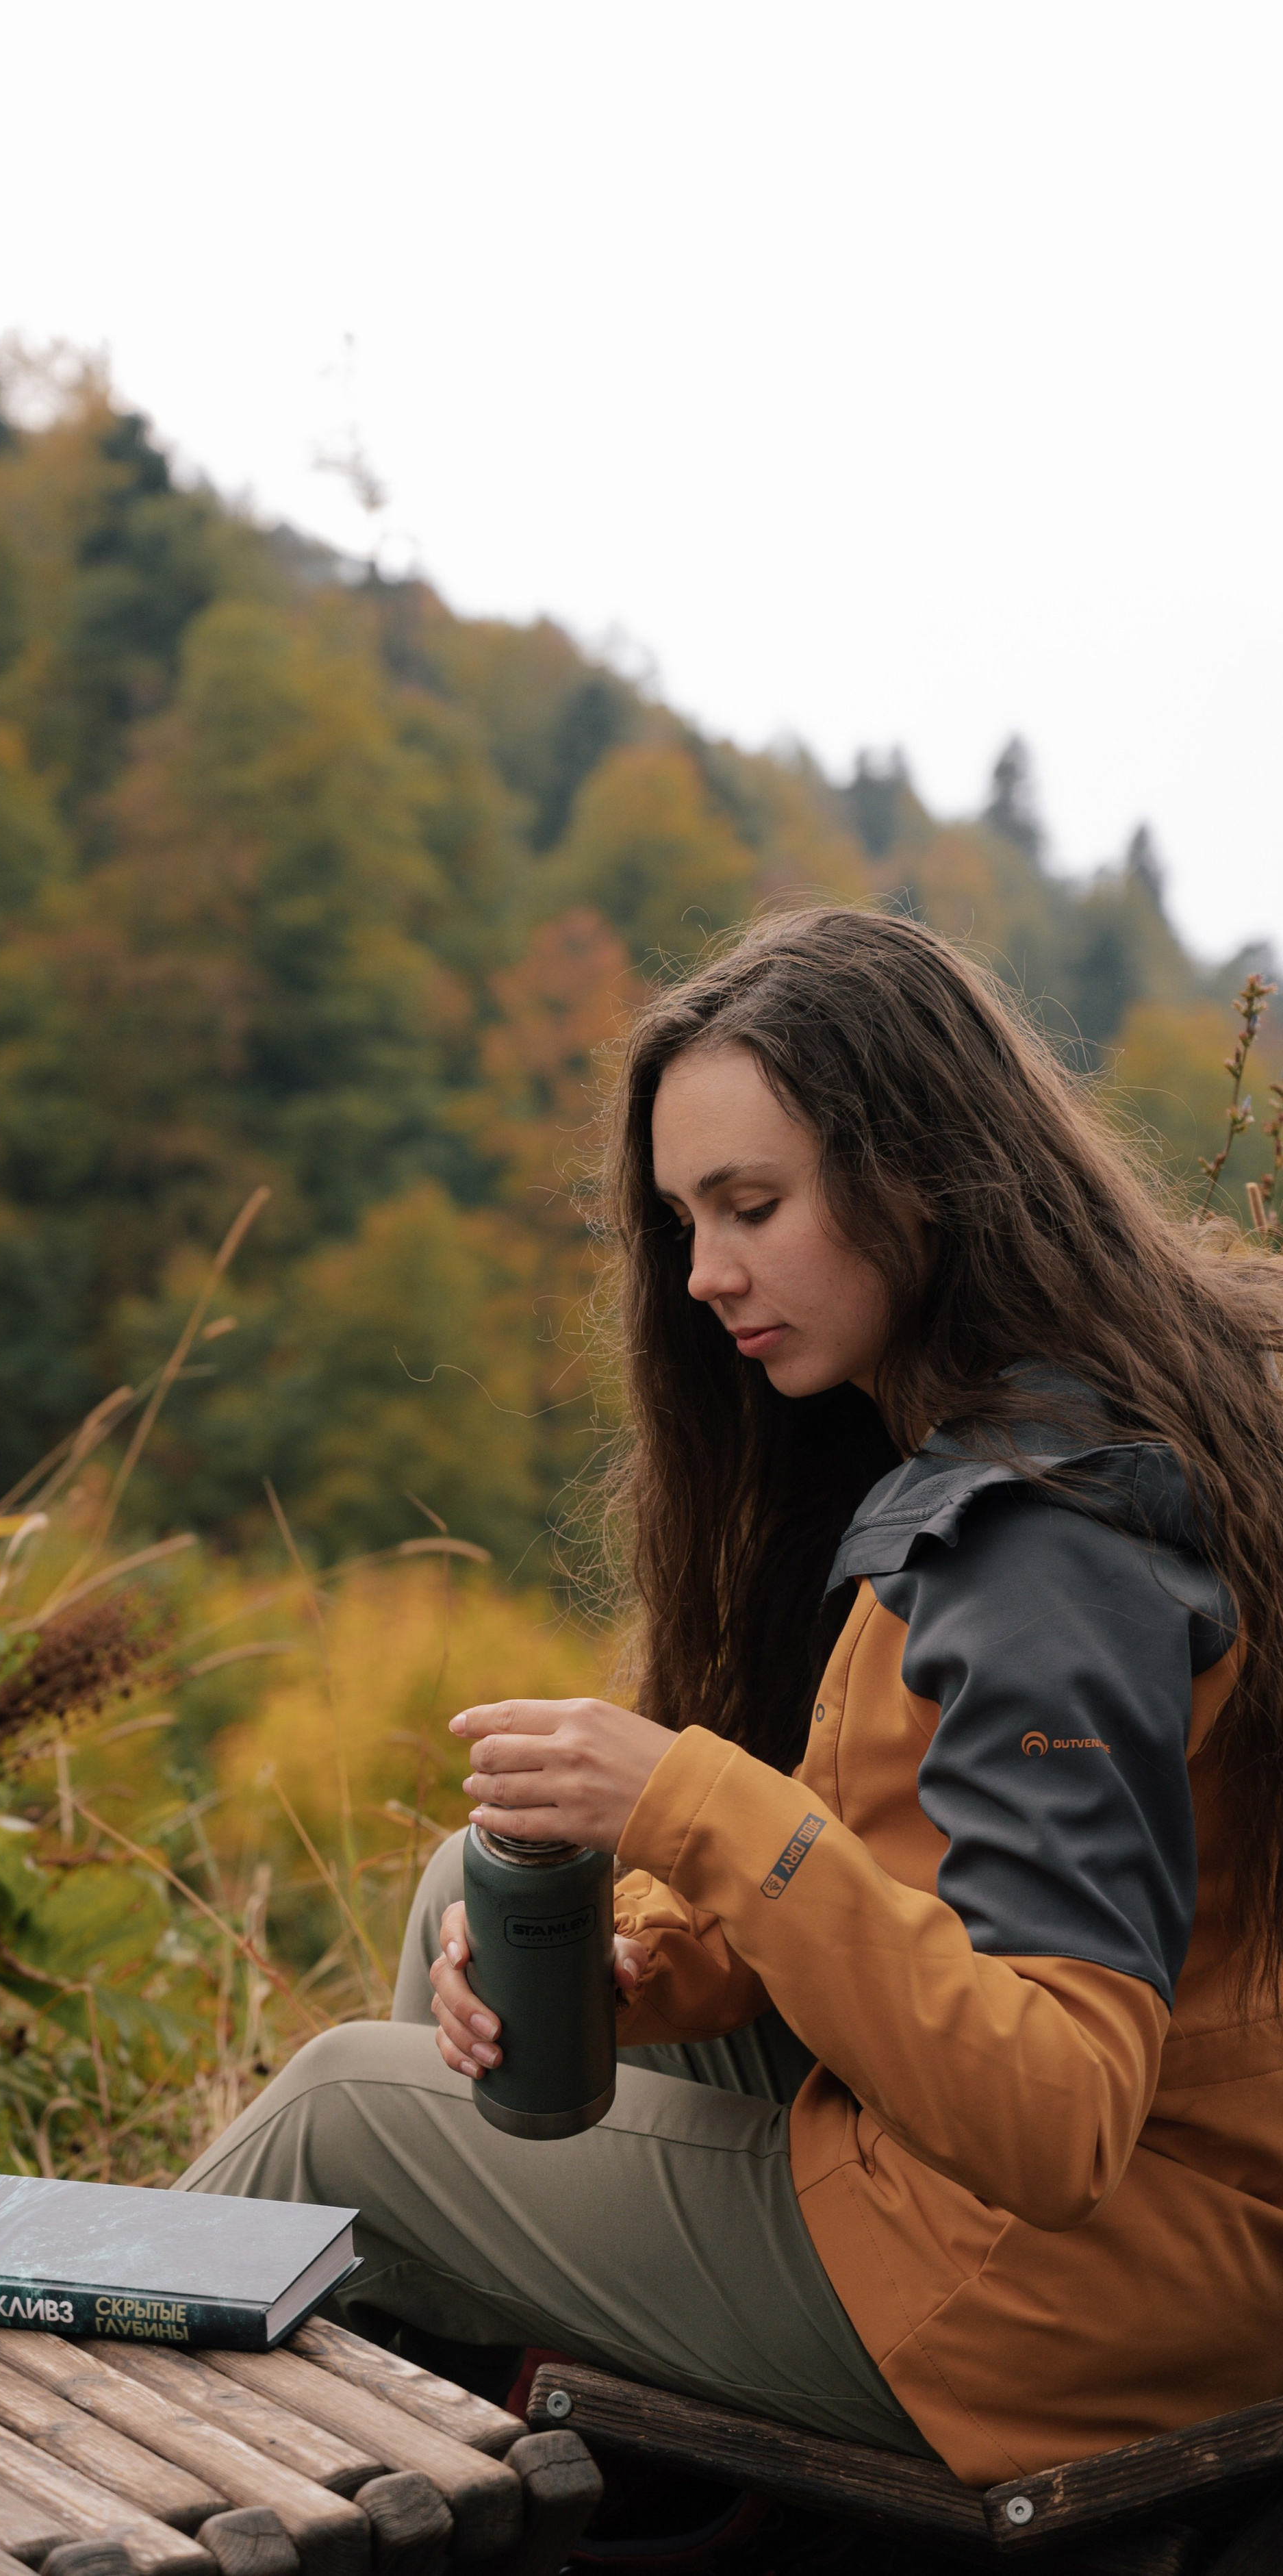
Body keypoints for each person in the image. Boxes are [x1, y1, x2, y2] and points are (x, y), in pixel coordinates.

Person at [179, 907, 1283, 2488]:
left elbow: (1058, 2112)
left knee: (339, 2120)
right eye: (682, 1218)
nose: (701, 1273)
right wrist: (652, 1957)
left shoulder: (1044, 1545)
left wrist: (695, 1807)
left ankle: (8, 2466)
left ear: (917, 1172)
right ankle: (475, 2483)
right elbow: (916, 1887)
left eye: (749, 1205)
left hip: (1060, 2292)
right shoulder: (1045, 1431)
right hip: (1104, 2229)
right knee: (488, 1894)